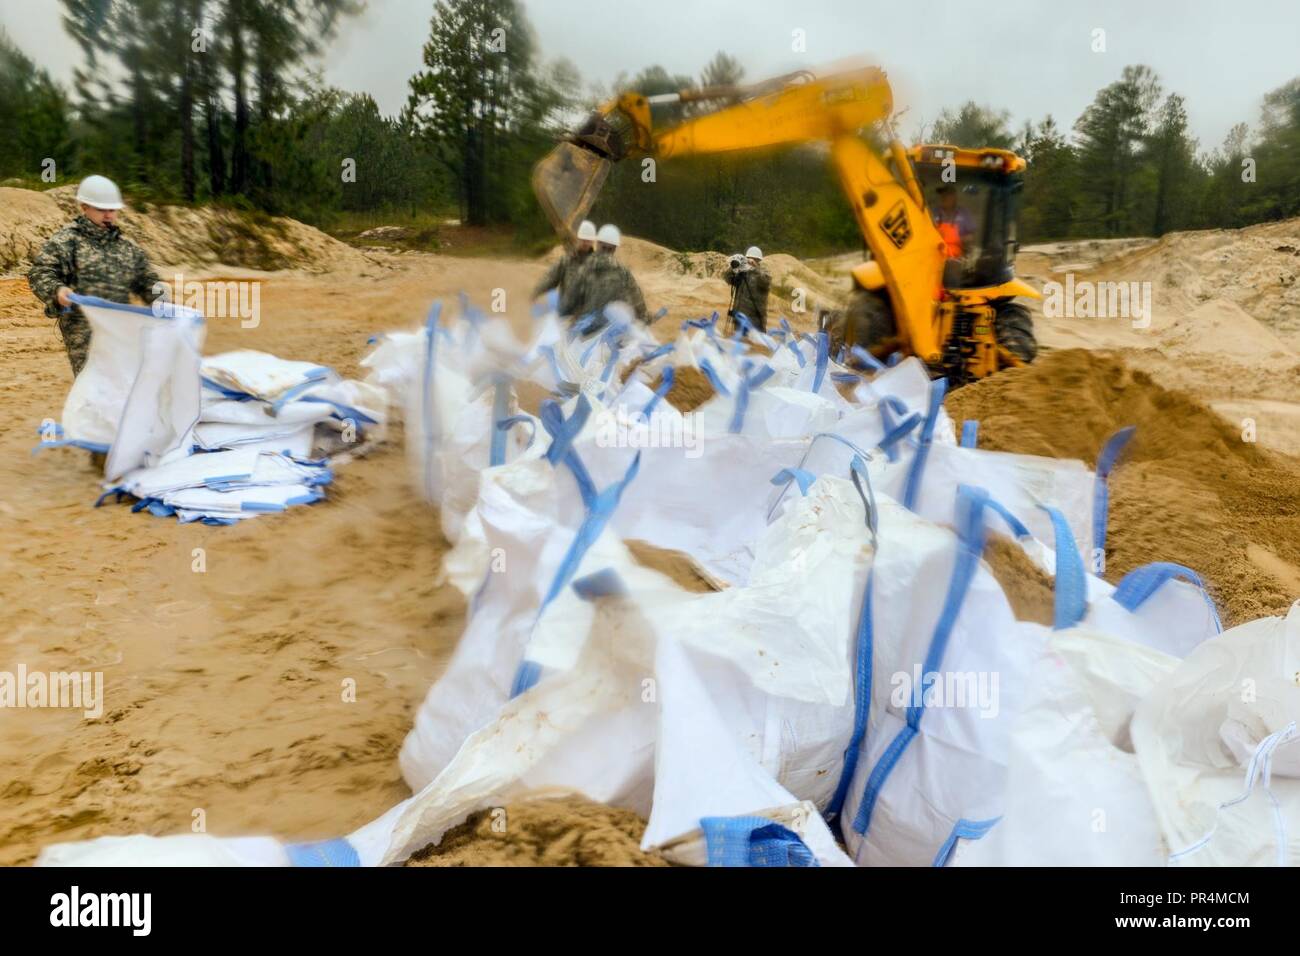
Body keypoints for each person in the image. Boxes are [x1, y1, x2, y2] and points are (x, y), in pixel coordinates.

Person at [28, 175, 167, 379]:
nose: (108, 215)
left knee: (126, 381)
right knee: (92, 383)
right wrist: (57, 290)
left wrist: (161, 300)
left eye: (112, 210)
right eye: (102, 210)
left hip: (120, 325)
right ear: (85, 208)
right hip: (82, 328)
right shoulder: (67, 241)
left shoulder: (126, 246)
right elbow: (40, 272)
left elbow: (147, 279)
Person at [558, 223, 649, 330]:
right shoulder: (623, 272)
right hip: (610, 329)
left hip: (585, 328)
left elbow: (569, 298)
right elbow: (637, 300)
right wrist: (645, 318)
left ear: (597, 245)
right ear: (614, 248)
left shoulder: (583, 268)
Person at [533, 219, 597, 301]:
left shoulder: (598, 263)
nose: (585, 243)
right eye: (583, 240)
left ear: (592, 241)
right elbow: (550, 279)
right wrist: (535, 293)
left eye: (588, 240)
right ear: (578, 239)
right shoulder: (566, 260)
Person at [724, 245, 771, 333]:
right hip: (739, 316)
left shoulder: (763, 272)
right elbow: (728, 279)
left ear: (758, 260)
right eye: (748, 259)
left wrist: (755, 268)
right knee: (740, 341)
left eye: (753, 259)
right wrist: (733, 267)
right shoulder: (742, 272)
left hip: (755, 318)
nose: (750, 261)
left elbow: (766, 282)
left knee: (755, 343)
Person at [932, 183, 975, 261]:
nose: (943, 197)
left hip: (956, 259)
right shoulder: (933, 212)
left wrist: (955, 238)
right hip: (935, 258)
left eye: (947, 195)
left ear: (954, 197)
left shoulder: (964, 213)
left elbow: (971, 237)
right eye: (942, 195)